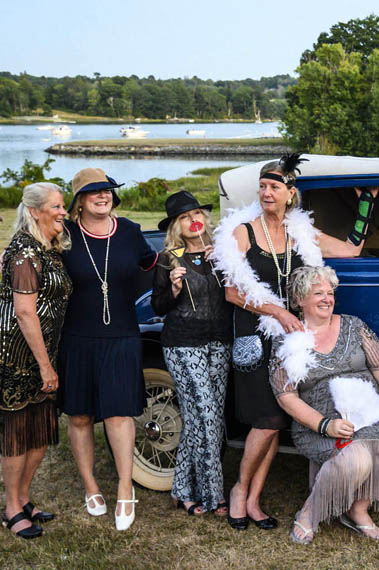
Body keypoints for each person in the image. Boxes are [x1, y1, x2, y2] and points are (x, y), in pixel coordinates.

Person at [211, 153, 379, 531]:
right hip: (256, 333)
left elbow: (350, 249)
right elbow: (233, 292)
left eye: (274, 187)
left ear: (290, 193)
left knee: (278, 417)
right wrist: (279, 313)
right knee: (266, 420)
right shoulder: (244, 231)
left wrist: (367, 201)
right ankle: (239, 490)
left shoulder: (299, 233)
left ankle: (253, 500)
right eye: (263, 187)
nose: (266, 193)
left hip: (291, 341)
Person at [269, 265, 379, 544]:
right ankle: (309, 513)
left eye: (330, 292)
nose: (327, 298)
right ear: (299, 300)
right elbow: (285, 396)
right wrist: (326, 425)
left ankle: (357, 509)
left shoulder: (354, 325)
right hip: (321, 425)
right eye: (318, 293)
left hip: (371, 418)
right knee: (356, 458)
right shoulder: (287, 340)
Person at [58, 168, 157, 531]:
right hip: (77, 338)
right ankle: (90, 486)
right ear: (78, 202)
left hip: (122, 336)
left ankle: (125, 487)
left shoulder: (129, 231)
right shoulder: (65, 235)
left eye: (108, 191)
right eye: (93, 192)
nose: (103, 197)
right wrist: (8, 254)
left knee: (119, 414)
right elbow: (29, 249)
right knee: (80, 415)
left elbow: (154, 264)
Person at [0, 183, 72, 539]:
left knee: (40, 424)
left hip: (42, 346)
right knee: (20, 429)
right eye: (56, 206)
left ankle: (23, 498)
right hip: (16, 349)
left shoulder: (46, 246)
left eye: (63, 205)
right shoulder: (24, 252)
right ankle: (11, 508)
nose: (63, 211)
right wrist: (45, 365)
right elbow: (24, 312)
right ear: (35, 211)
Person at [151, 191, 233, 516]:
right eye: (184, 217)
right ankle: (215, 496)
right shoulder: (169, 258)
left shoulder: (222, 252)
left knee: (200, 419)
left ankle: (181, 489)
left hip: (220, 341)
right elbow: (158, 305)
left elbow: (239, 291)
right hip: (183, 342)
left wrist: (227, 262)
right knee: (209, 418)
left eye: (196, 213)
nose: (192, 220)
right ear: (176, 225)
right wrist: (172, 288)